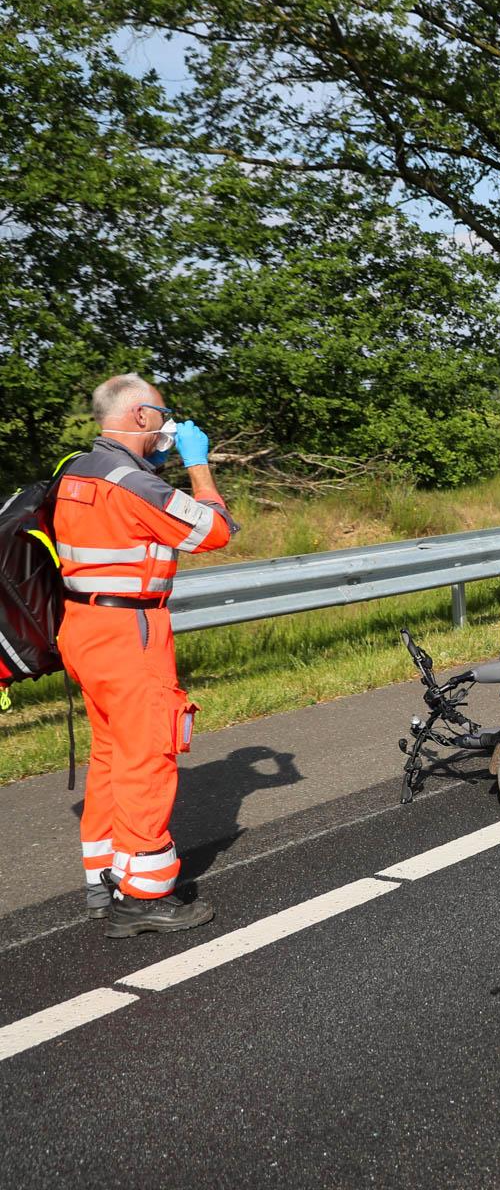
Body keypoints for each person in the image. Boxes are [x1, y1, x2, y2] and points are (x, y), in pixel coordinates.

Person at [54, 375, 236, 935]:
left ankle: (105, 876)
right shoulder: (134, 483)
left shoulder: (73, 472)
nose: (168, 423)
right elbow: (216, 531)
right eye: (162, 413)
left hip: (81, 626)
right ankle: (144, 896)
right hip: (130, 631)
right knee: (148, 756)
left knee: (110, 753)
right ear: (139, 417)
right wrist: (198, 465)